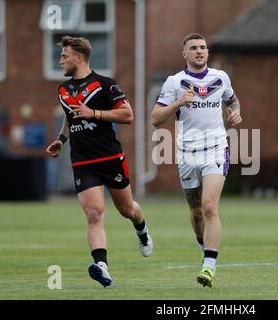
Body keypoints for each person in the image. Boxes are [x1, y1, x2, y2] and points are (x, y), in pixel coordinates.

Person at [46, 36, 153, 288]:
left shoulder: (105, 85)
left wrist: (94, 113)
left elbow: (128, 115)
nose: (61, 60)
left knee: (127, 210)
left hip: (110, 157)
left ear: (79, 58)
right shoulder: (63, 89)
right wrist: (61, 139)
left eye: (65, 56)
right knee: (94, 213)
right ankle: (102, 266)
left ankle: (142, 230)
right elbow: (70, 117)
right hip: (82, 161)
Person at [151, 33, 242, 287]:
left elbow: (232, 100)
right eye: (193, 48)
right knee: (195, 213)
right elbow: (155, 119)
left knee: (210, 207)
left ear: (207, 52)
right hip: (186, 153)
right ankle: (203, 246)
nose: (199, 51)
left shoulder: (220, 77)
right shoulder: (175, 82)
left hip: (215, 148)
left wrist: (235, 114)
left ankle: (209, 265)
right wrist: (178, 102)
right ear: (185, 54)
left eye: (203, 47)